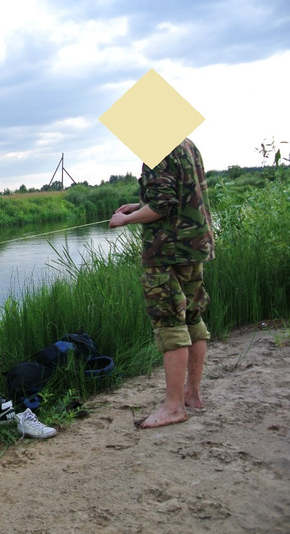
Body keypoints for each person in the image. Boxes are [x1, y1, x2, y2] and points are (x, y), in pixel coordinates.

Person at [109, 137, 214, 429]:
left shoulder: (157, 148)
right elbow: (174, 195)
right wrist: (137, 206)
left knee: (169, 322)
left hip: (168, 251)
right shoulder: (188, 145)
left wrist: (124, 221)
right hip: (194, 245)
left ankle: (173, 407)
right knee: (193, 317)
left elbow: (162, 207)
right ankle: (192, 394)